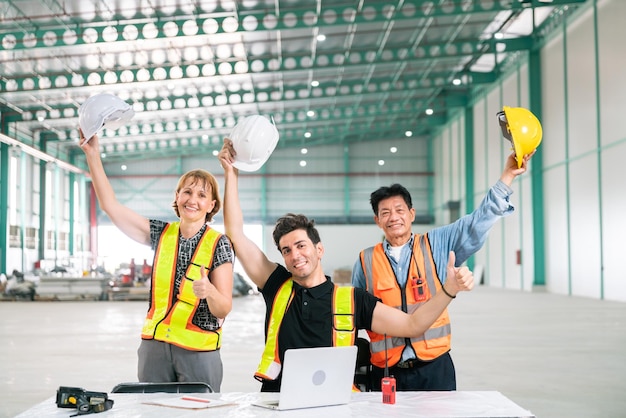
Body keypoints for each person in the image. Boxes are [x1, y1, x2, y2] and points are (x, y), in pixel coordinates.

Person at [218, 138, 475, 392]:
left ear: (319, 249)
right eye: (287, 250)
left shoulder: (353, 300)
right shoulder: (277, 286)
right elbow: (236, 234)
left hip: (332, 404)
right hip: (278, 402)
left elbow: (412, 325)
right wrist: (231, 173)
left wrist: (449, 289)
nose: (295, 255)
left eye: (301, 245)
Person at [351, 151, 535, 392]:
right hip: (386, 371)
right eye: (385, 213)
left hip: (434, 368)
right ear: (377, 220)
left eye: (399, 210)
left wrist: (507, 176)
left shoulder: (438, 243)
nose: (393, 217)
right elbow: (353, 316)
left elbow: (477, 221)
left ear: (412, 214)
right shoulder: (366, 260)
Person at [79, 131, 234, 392]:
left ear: (212, 205)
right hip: (154, 347)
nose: (192, 200)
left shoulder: (219, 244)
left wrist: (209, 292)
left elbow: (224, 308)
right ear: (176, 197)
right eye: (187, 192)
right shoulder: (161, 234)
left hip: (198, 351)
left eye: (201, 195)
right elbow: (110, 206)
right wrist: (92, 154)